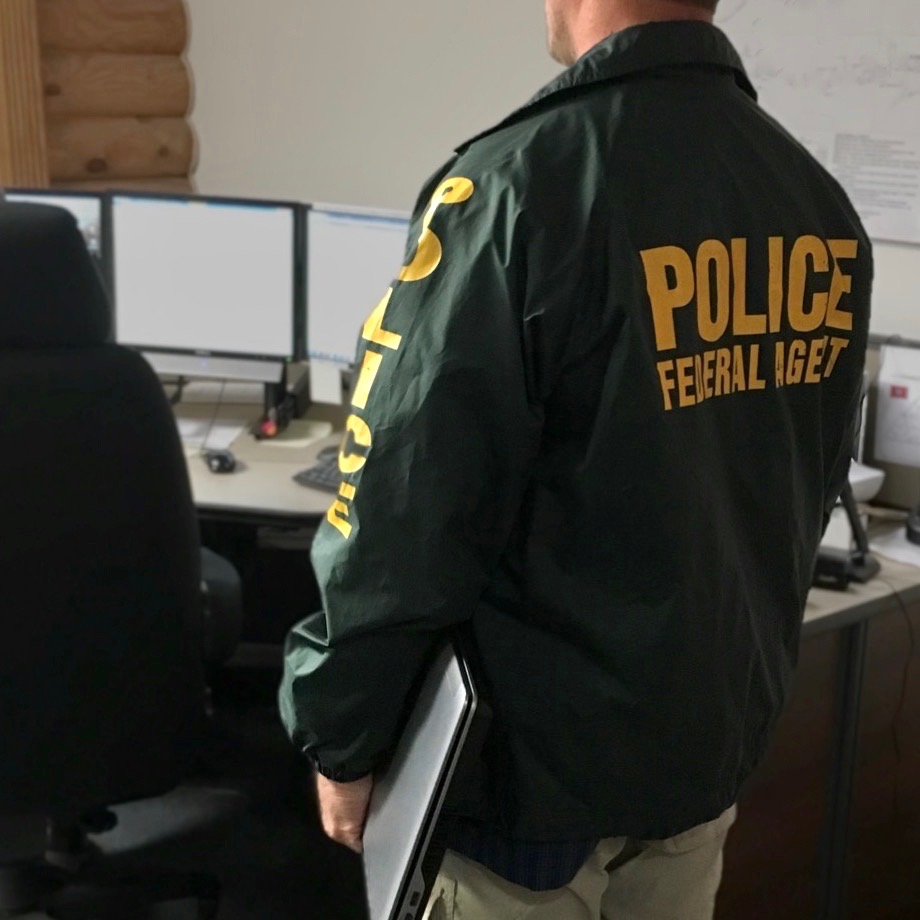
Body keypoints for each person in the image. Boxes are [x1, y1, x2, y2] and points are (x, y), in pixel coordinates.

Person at [279, 0, 873, 916]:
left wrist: (341, 732)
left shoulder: (517, 188)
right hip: (698, 765)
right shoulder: (812, 202)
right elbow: (802, 484)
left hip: (529, 788)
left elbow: (400, 503)